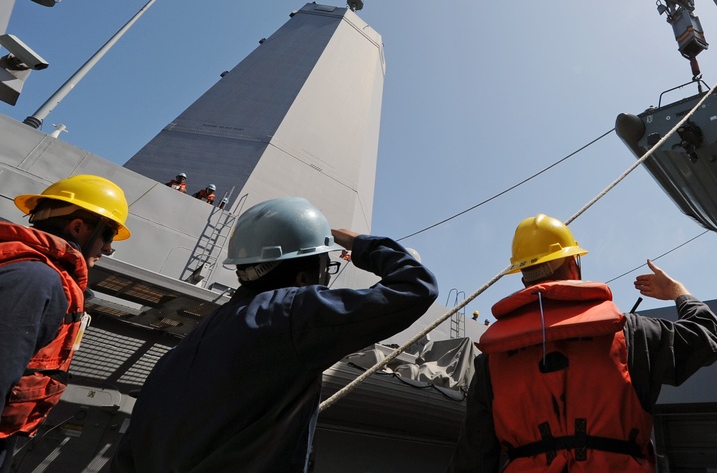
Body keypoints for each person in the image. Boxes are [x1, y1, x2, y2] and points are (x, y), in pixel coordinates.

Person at [110, 196, 438, 473]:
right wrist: (359, 243)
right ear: (304, 273)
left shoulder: (187, 347)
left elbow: (129, 454)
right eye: (325, 266)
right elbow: (415, 287)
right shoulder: (291, 313)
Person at [448, 214, 717, 472]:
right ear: (573, 265)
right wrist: (678, 292)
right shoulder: (630, 332)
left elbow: (471, 460)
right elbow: (708, 335)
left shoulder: (491, 361)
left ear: (523, 278)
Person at [0, 175, 130, 473]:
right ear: (78, 227)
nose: (108, 248)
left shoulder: (31, 272)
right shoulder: (36, 280)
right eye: (108, 235)